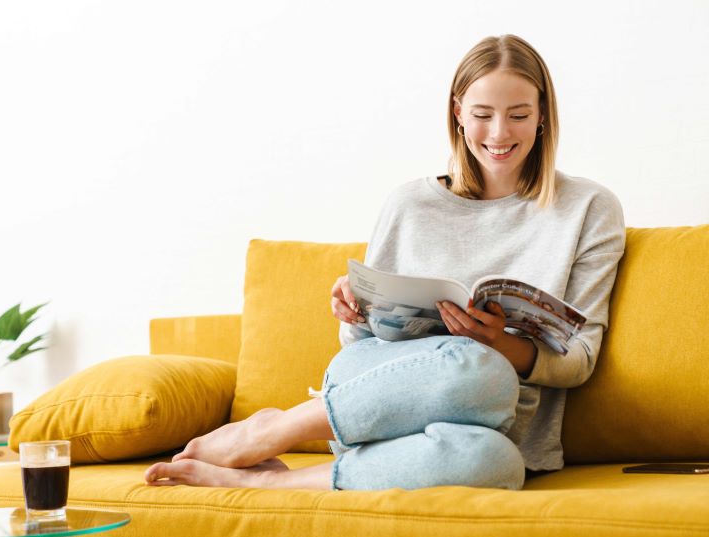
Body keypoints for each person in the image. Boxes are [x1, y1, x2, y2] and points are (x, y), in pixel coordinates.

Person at [143, 34, 625, 491]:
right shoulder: (410, 204)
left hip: (494, 423)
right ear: (457, 113)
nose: (499, 133)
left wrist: (500, 342)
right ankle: (276, 430)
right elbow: (358, 345)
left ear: (543, 116)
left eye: (519, 114)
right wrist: (355, 309)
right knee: (481, 367)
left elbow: (579, 359)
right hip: (374, 398)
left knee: (497, 454)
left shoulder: (588, 209)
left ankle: (267, 478)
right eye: (482, 114)